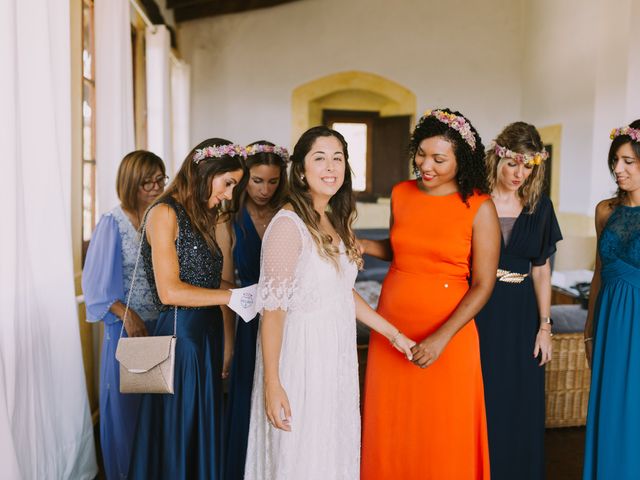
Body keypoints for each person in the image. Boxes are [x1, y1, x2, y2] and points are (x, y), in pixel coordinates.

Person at [243, 126, 415, 480]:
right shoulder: (287, 224)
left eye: (338, 158)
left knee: (331, 451)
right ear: (302, 171)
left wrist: (394, 334)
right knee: (300, 456)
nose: (330, 166)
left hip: (335, 355)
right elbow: (272, 311)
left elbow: (340, 292)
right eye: (319, 158)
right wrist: (273, 383)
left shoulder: (335, 220)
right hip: (300, 359)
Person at [360, 108, 501, 479]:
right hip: (391, 325)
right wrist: (360, 244)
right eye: (421, 154)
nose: (426, 165)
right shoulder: (401, 194)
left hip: (448, 333)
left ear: (462, 159)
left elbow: (484, 284)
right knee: (393, 424)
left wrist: (440, 339)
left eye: (439, 159)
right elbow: (402, 248)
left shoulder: (480, 207)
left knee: (443, 428)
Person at [128, 138, 254, 480]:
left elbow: (206, 281)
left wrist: (248, 292)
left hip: (205, 336)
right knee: (178, 429)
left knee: (199, 427)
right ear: (205, 171)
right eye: (228, 183)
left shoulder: (203, 215)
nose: (230, 194)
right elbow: (170, 291)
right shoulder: (164, 212)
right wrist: (232, 299)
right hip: (180, 339)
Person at [475, 122, 562, 480]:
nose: (519, 174)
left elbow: (541, 270)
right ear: (498, 158)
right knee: (482, 398)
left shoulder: (539, 206)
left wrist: (545, 327)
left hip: (523, 314)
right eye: (513, 164)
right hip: (480, 310)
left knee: (521, 403)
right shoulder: (475, 200)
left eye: (528, 166)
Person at [82, 150, 167, 480]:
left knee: (156, 407)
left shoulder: (162, 216)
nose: (157, 187)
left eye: (161, 179)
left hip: (162, 324)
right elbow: (95, 285)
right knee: (128, 408)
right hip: (128, 329)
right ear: (131, 183)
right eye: (149, 181)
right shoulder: (112, 223)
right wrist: (125, 313)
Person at [224, 141, 289, 480]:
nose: (265, 190)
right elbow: (223, 285)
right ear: (244, 178)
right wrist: (229, 343)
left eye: (273, 181)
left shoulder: (290, 214)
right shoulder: (230, 218)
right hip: (246, 317)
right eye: (257, 181)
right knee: (248, 394)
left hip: (285, 317)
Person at [583, 120, 640, 479]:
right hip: (609, 324)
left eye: (628, 161)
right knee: (609, 411)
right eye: (615, 161)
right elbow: (599, 274)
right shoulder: (606, 211)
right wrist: (590, 330)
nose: (617, 169)